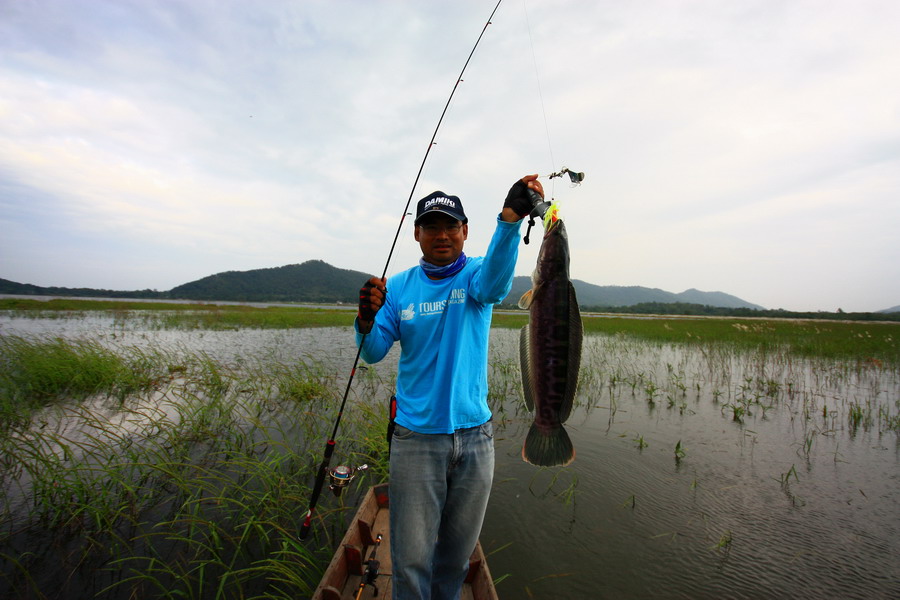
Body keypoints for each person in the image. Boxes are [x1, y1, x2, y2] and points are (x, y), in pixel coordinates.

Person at [355, 174, 545, 600]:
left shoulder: (476, 275)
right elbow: (372, 351)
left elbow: (496, 283)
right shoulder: (399, 287)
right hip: (415, 440)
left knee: (456, 559)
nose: (442, 235)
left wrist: (510, 220)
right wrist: (365, 319)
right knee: (410, 561)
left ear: (464, 232)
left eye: (451, 226)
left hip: (475, 439)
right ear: (417, 233)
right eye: (432, 226)